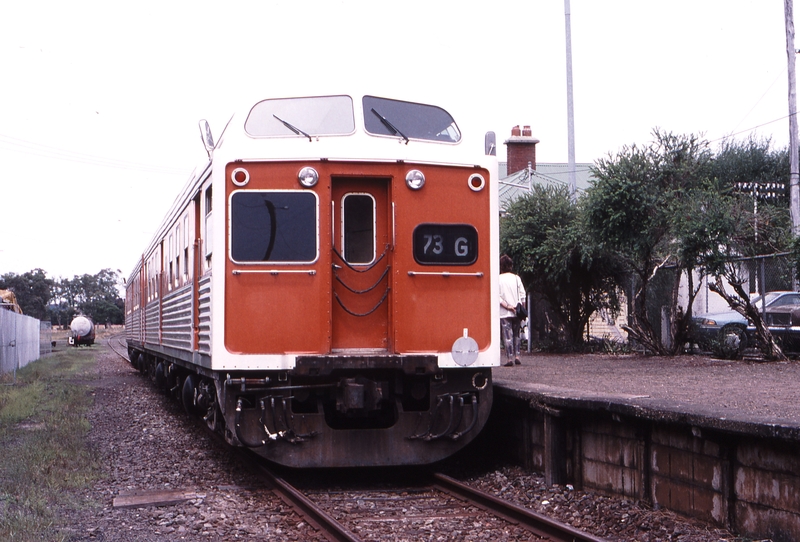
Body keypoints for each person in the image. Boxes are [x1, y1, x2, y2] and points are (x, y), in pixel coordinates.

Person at [499, 254, 526, 367]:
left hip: (504, 312)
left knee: (507, 335)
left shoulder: (498, 279)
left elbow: (498, 297)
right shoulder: (516, 278)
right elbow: (522, 295)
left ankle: (509, 358)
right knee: (517, 334)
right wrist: (520, 307)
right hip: (517, 311)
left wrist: (508, 306)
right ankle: (517, 356)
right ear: (511, 265)